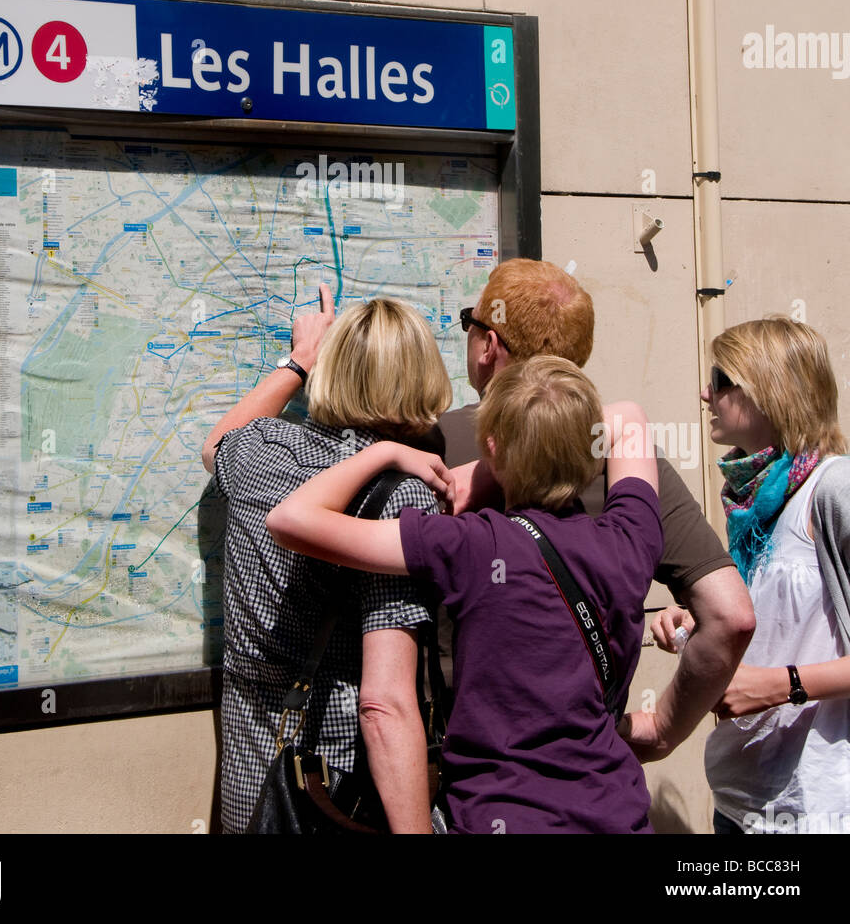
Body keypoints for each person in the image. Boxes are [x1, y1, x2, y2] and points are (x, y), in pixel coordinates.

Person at [268, 355, 662, 833]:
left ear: (492, 450)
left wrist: (386, 454)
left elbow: (290, 520)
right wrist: (543, 447)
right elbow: (630, 418)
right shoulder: (631, 537)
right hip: (619, 815)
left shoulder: (473, 546)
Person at [439, 258, 755, 763]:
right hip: (596, 771)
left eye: (468, 324)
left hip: (468, 772)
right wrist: (662, 729)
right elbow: (731, 615)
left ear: (489, 345)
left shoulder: (430, 445)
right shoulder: (632, 463)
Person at [202, 287, 451, 834]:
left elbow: (214, 444)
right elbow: (384, 705)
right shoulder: (400, 497)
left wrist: (298, 362)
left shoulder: (257, 451)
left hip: (251, 788)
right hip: (336, 791)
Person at [674, 318, 850, 834]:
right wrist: (694, 624)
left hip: (818, 807)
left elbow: (776, 671)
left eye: (721, 379)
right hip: (740, 801)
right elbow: (772, 623)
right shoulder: (752, 500)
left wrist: (781, 686)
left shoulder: (834, 487)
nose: (706, 393)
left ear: (771, 389)